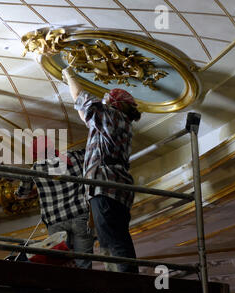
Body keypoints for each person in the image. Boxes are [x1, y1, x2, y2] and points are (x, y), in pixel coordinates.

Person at [62, 66, 141, 273]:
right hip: (116, 188)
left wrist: (70, 74)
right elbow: (83, 113)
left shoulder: (112, 116)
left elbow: (81, 98)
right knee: (112, 240)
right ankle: (121, 287)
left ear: (113, 104)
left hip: (106, 185)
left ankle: (127, 290)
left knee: (113, 243)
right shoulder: (119, 123)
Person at [15, 136, 94, 269]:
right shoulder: (74, 157)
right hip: (80, 216)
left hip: (56, 222)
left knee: (62, 264)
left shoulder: (35, 168)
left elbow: (21, 194)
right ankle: (87, 288)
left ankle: (68, 289)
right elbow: (91, 151)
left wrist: (38, 189)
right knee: (84, 262)